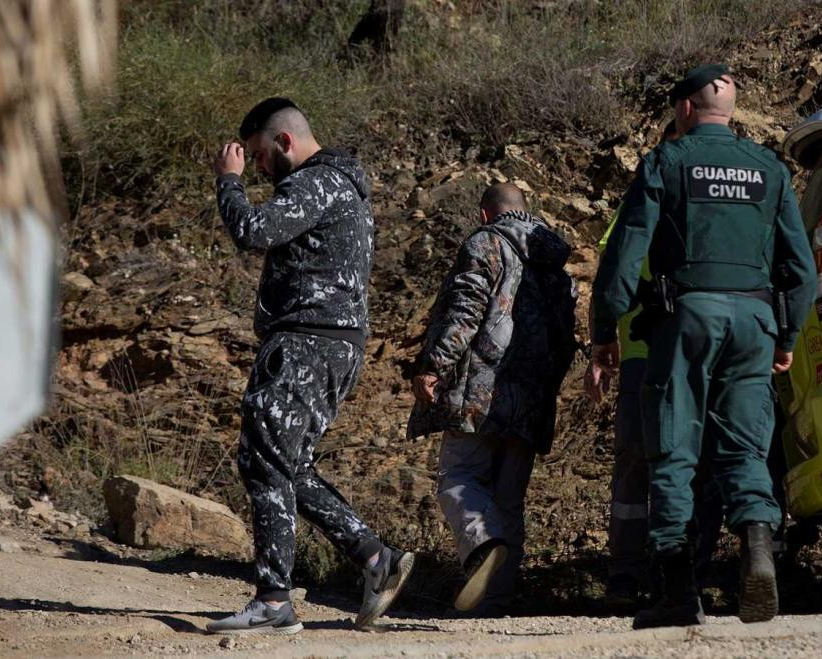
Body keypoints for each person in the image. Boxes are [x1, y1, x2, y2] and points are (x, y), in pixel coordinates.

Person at [590, 65, 817, 629]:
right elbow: (801, 271)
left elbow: (622, 256)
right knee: (744, 448)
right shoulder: (769, 168)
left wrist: (602, 333)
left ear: (686, 107)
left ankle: (676, 593)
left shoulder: (666, 162)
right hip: (755, 324)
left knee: (673, 450)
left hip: (687, 322)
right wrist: (786, 336)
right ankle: (757, 550)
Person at [207, 97, 414, 635]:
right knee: (284, 462)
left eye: (256, 156)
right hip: (329, 343)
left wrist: (228, 181)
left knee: (264, 459)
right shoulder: (340, 187)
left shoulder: (315, 183)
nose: (254, 167)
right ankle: (375, 558)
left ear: (284, 142)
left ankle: (274, 600)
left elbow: (252, 229)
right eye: (246, 162)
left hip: (306, 341)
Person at [408, 183, 577, 615]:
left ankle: (483, 545)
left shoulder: (485, 243)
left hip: (479, 389)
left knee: (459, 477)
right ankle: (494, 601)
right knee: (508, 498)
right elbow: (565, 340)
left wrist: (433, 364)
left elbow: (465, 311)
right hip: (532, 397)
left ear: (486, 215)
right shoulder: (554, 261)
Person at [587, 120, 681, 609]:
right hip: (688, 356)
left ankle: (629, 576)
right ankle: (676, 573)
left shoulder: (641, 198)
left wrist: (599, 346)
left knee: (636, 471)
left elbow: (610, 276)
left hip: (645, 358)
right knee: (675, 466)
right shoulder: (706, 198)